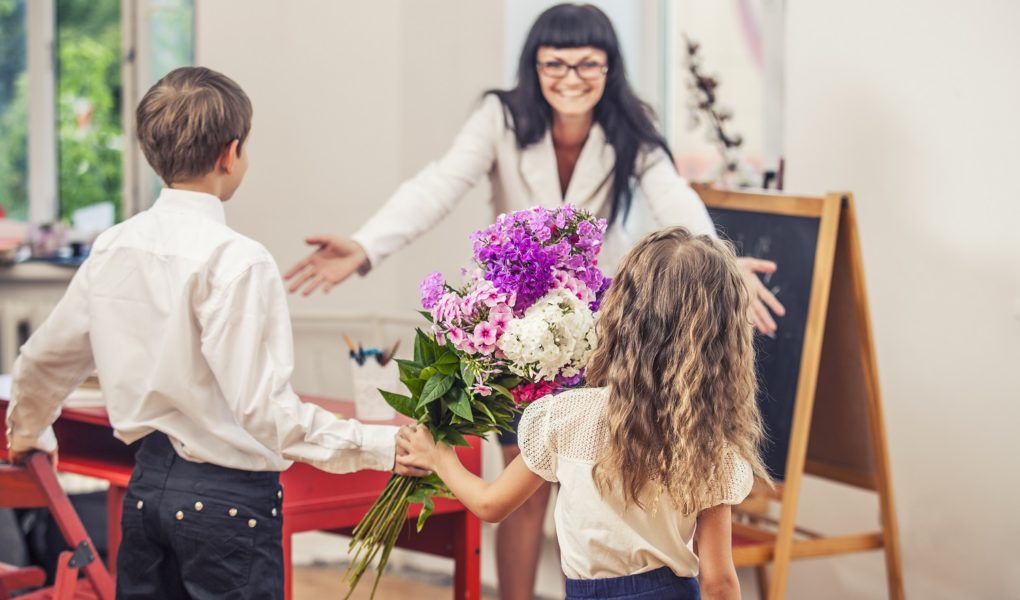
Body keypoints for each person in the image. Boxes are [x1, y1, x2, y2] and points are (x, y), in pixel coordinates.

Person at [284, 4, 784, 598]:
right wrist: (366, 246)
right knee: (524, 488)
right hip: (516, 338)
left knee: (601, 480)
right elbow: (440, 185)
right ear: (534, 65)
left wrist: (716, 269)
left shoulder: (630, 125)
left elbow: (672, 196)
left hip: (602, 337)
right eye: (555, 64)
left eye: (587, 64)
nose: (571, 78)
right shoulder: (499, 116)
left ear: (609, 67)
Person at [4, 66, 425, 600]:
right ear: (232, 154)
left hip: (145, 493)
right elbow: (265, 414)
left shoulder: (113, 246)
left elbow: (43, 360)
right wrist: (384, 443)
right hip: (228, 508)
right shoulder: (238, 260)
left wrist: (28, 434)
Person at [396, 227, 769, 600]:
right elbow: (719, 581)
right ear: (723, 342)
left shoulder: (566, 417)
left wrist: (438, 457)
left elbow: (490, 505)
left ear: (620, 313)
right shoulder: (707, 444)